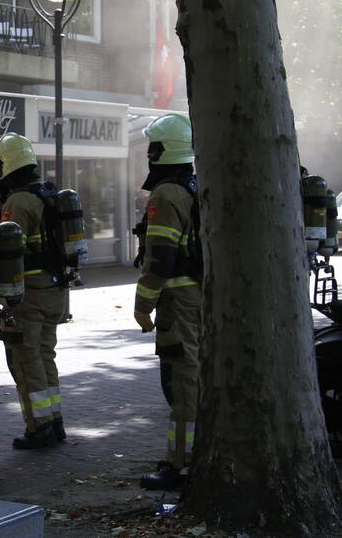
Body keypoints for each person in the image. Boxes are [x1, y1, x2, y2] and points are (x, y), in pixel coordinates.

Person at [132, 113, 203, 491]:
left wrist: (143, 303)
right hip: (196, 294)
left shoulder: (166, 194)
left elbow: (160, 257)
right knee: (190, 376)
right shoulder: (193, 185)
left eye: (151, 147)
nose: (148, 153)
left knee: (183, 380)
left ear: (163, 150)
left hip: (178, 300)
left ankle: (183, 464)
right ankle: (188, 457)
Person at [0, 132, 68, 449]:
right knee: (46, 356)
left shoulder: (18, 202)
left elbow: (10, 252)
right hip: (54, 290)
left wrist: (3, 296)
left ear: (7, 165)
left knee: (25, 360)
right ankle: (55, 421)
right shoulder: (48, 194)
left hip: (29, 295)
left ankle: (40, 427)